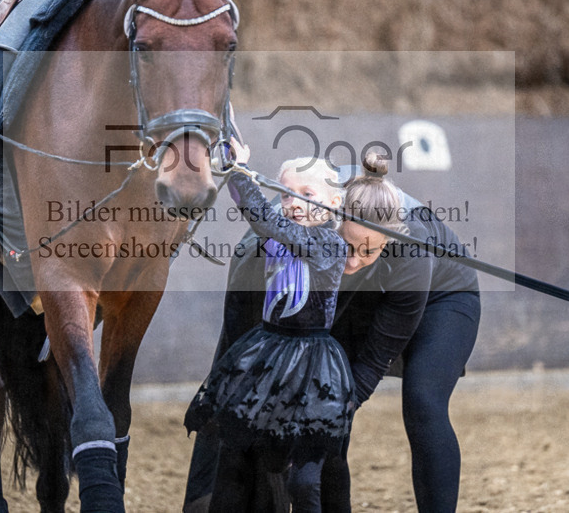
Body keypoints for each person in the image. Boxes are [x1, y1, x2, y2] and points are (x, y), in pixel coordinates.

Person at [184, 153, 480, 513]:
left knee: (422, 400)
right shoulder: (305, 220)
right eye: (347, 246)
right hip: (358, 289)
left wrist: (326, 416)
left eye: (366, 250)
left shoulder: (409, 246)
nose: (351, 261)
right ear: (333, 215)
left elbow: (374, 360)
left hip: (442, 296)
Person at [184, 140, 355, 513]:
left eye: (307, 194)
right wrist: (235, 172)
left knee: (305, 475)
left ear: (334, 202)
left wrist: (241, 173)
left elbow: (266, 220)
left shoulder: (329, 244)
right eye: (286, 194)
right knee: (242, 449)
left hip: (310, 361)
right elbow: (260, 218)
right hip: (268, 351)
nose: (293, 202)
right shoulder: (278, 233)